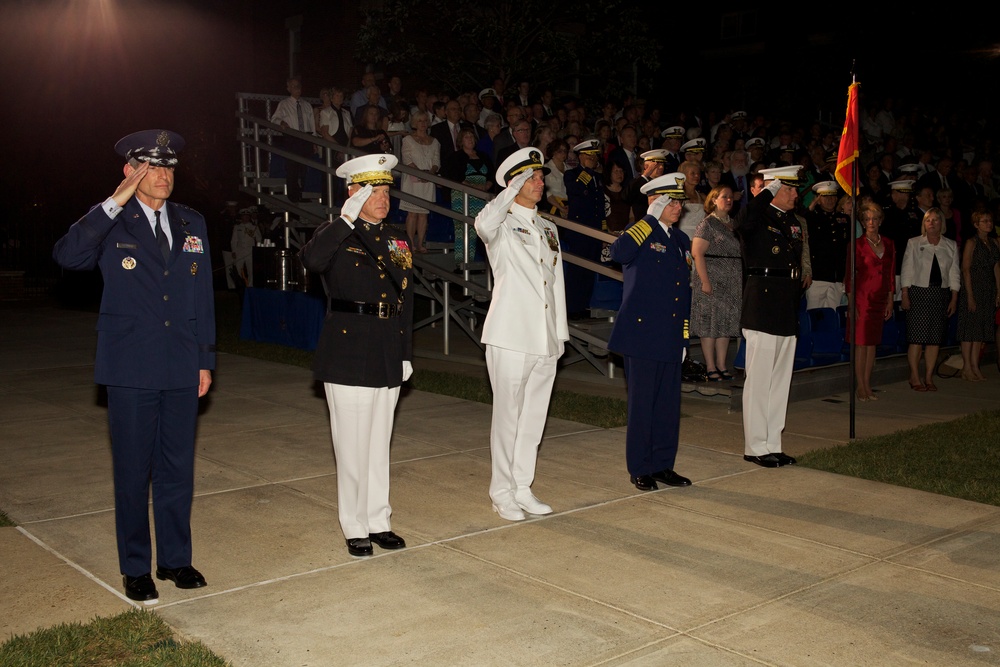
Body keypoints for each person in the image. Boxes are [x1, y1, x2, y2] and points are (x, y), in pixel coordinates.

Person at [53, 130, 216, 603]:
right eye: (151, 167)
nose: (163, 176)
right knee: (131, 471)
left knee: (176, 468)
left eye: (168, 168)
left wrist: (205, 360)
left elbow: (201, 295)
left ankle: (175, 560)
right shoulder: (112, 223)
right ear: (131, 172)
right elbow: (68, 256)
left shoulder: (192, 223)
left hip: (182, 362)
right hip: (129, 365)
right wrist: (111, 203)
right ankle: (135, 567)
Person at [299, 154, 414, 557]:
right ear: (353, 192)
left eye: (385, 190)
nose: (383, 198)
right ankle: (354, 524)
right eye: (372, 190)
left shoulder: (398, 237)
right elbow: (311, 262)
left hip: (386, 346)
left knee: (379, 442)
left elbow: (405, 296)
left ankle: (378, 518)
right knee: (352, 444)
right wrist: (345, 219)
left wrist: (404, 350)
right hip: (348, 350)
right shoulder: (335, 234)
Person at [474, 147, 568, 521]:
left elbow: (555, 282)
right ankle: (501, 491)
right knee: (508, 417)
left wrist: (559, 334)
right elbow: (483, 224)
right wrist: (508, 193)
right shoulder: (500, 224)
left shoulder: (548, 227)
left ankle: (523, 486)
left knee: (533, 418)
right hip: (510, 335)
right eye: (531, 177)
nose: (540, 182)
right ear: (513, 183)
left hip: (544, 336)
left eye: (540, 176)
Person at [609, 171, 694, 491]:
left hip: (670, 333)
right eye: (670, 200)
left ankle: (662, 464)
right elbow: (619, 253)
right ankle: (640, 467)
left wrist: (684, 335)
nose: (677, 206)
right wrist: (648, 218)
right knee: (643, 405)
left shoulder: (681, 240)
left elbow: (682, 292)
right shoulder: (639, 232)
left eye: (679, 200)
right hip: (642, 335)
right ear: (654, 201)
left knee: (668, 406)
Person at [734, 166, 804, 468]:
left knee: (779, 382)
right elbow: (741, 221)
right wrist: (766, 192)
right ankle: (755, 446)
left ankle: (773, 442)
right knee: (760, 381)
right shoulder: (757, 216)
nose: (796, 194)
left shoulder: (792, 221)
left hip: (785, 303)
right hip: (761, 304)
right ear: (775, 189)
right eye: (789, 189)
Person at [900, 208, 960, 392]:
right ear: (924, 224)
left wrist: (954, 297)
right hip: (918, 293)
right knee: (917, 338)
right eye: (928, 220)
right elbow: (907, 270)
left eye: (936, 220)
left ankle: (928, 377)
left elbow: (954, 273)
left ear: (942, 222)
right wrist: (905, 294)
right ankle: (915, 376)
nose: (932, 223)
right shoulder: (914, 242)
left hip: (940, 294)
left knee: (934, 339)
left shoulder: (950, 245)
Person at [690, 186, 741, 381]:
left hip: (732, 279)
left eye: (731, 197)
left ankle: (721, 364)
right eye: (724, 197)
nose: (729, 200)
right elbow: (697, 253)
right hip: (711, 278)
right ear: (713, 200)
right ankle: (710, 366)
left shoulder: (734, 224)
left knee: (726, 323)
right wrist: (704, 281)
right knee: (709, 323)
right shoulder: (707, 224)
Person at [845, 203, 895, 401]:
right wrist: (851, 302)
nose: (871, 223)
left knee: (872, 343)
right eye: (867, 219)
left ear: (880, 220)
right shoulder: (856, 244)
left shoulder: (890, 243)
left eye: (874, 219)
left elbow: (891, 274)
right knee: (861, 343)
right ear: (862, 223)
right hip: (862, 297)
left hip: (881, 298)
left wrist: (890, 300)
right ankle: (860, 386)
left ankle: (868, 383)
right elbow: (849, 275)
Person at [562, 139, 605, 319]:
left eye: (595, 156)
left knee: (590, 270)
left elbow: (600, 205)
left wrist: (603, 231)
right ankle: (572, 307)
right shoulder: (571, 175)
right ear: (581, 156)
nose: (593, 159)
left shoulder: (597, 178)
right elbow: (576, 189)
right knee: (577, 270)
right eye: (589, 156)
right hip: (579, 229)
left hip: (594, 229)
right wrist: (587, 170)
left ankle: (584, 305)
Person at [957, 211, 1000, 381]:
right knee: (969, 329)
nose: (989, 224)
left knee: (980, 330)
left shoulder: (993, 243)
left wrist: (998, 290)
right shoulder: (971, 242)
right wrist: (969, 296)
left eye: (990, 221)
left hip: (988, 289)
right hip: (973, 288)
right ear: (976, 224)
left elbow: (996, 268)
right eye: (984, 221)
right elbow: (966, 269)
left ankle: (975, 365)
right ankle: (967, 367)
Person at [442, 127, 492, 269]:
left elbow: (491, 175)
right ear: (461, 141)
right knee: (462, 228)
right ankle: (462, 262)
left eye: (471, 137)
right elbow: (455, 176)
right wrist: (473, 187)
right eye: (466, 137)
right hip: (462, 196)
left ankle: (476, 262)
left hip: (481, 198)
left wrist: (486, 186)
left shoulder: (484, 156)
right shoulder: (456, 157)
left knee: (478, 230)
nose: (470, 139)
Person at [400, 110, 440, 254]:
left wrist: (430, 173)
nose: (423, 124)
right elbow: (407, 159)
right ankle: (410, 243)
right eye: (420, 121)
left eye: (425, 121)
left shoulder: (435, 142)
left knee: (423, 213)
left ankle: (420, 243)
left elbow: (436, 161)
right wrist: (419, 173)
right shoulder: (408, 140)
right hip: (412, 179)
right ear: (414, 123)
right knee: (412, 213)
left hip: (428, 180)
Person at [271, 76, 317, 202]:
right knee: (292, 167)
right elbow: (274, 119)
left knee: (305, 168)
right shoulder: (284, 104)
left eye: (299, 86)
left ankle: (304, 193)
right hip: (293, 138)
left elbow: (311, 123)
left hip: (306, 138)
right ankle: (293, 195)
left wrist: (313, 141)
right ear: (288, 88)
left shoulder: (307, 105)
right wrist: (282, 122)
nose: (297, 88)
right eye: (294, 86)